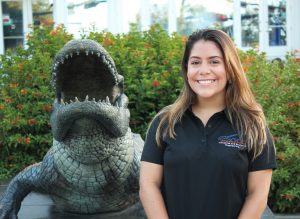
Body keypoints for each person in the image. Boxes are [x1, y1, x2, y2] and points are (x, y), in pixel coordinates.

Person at [139, 29, 277, 219]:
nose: (204, 70)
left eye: (214, 61)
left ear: (230, 69)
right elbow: (148, 185)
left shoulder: (253, 125)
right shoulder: (165, 122)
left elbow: (258, 195)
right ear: (186, 69)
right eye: (195, 62)